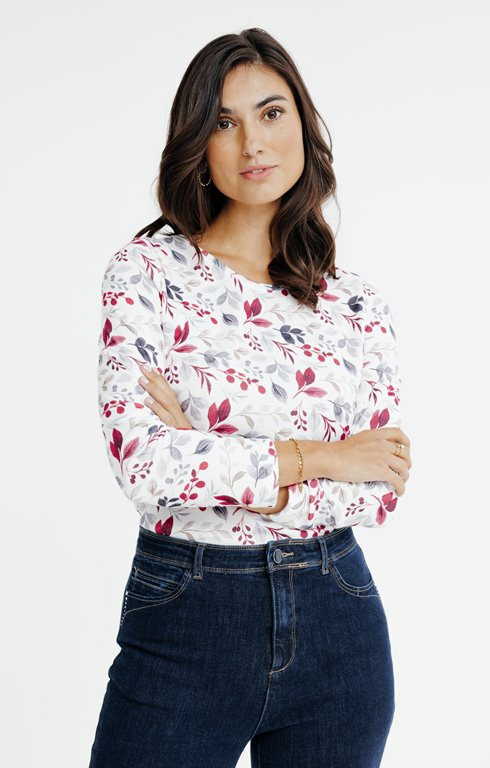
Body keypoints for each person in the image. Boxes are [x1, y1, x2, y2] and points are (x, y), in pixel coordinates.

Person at [89, 27, 412, 768]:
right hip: (186, 618)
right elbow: (149, 468)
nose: (252, 143)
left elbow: (381, 488)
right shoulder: (148, 274)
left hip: (339, 622)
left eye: (271, 113)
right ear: (197, 143)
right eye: (224, 122)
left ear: (302, 122)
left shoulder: (354, 305)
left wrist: (218, 462)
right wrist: (325, 457)